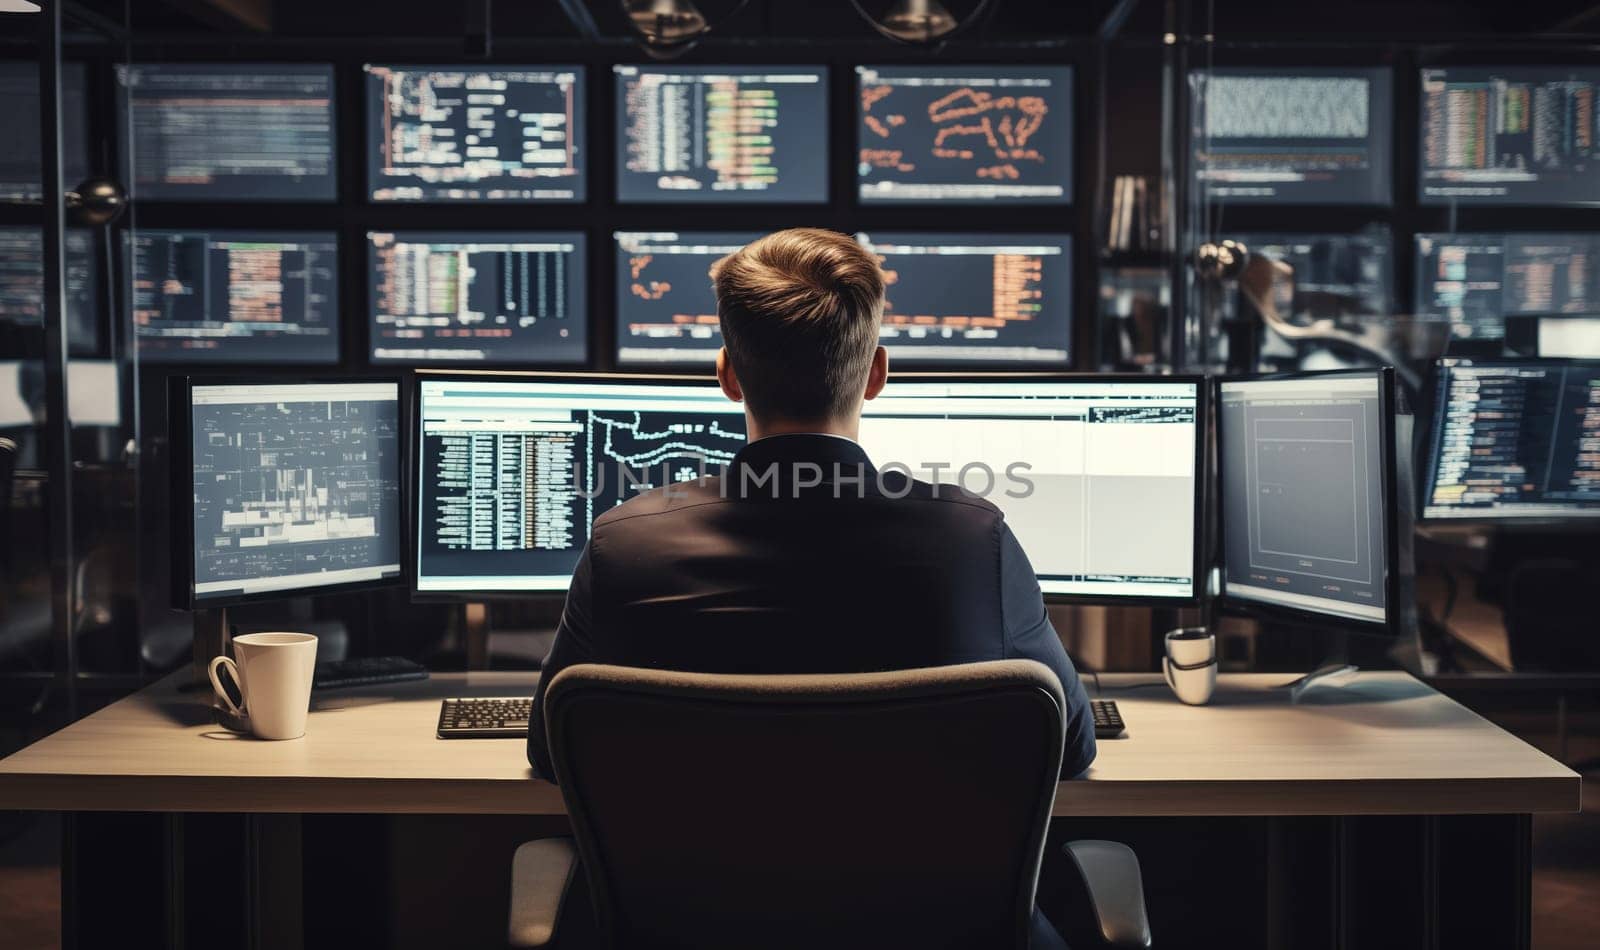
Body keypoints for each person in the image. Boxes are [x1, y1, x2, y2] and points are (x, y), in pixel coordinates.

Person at [528, 230, 1096, 939]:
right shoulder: (973, 541)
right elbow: (1071, 746)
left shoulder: (626, 545)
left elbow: (550, 750)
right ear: (877, 373)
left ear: (728, 374)